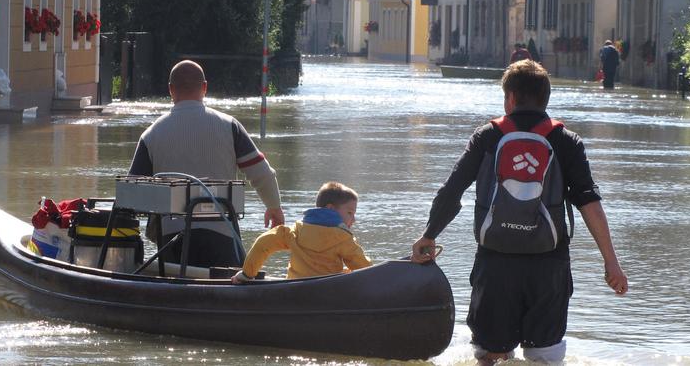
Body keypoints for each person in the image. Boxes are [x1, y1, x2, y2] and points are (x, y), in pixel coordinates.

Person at [411, 60, 628, 365]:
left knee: (492, 356)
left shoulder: (487, 136)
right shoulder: (566, 142)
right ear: (545, 98)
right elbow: (589, 202)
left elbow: (452, 189)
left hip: (495, 262)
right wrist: (611, 262)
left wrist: (429, 234)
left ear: (510, 98)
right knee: (544, 358)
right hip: (549, 266)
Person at [128, 60, 285, 267]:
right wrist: (274, 207)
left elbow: (131, 193)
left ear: (170, 90)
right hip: (222, 234)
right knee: (234, 276)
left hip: (171, 240)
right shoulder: (230, 126)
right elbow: (262, 174)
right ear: (204, 88)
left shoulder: (151, 134)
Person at [231, 182, 371, 283]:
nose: (354, 219)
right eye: (350, 213)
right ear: (331, 209)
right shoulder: (343, 238)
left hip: (293, 289)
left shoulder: (295, 231)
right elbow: (365, 269)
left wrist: (247, 274)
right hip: (327, 293)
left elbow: (263, 243)